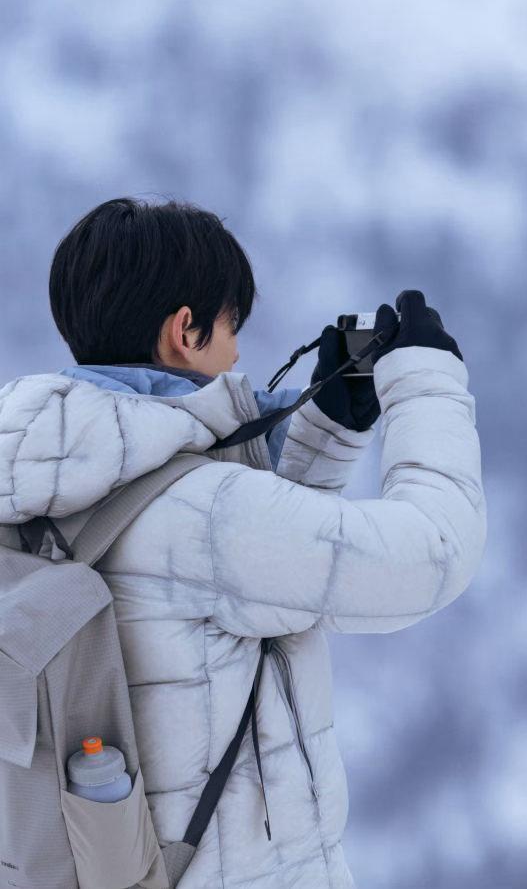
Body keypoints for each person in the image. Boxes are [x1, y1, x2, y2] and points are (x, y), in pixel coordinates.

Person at [0, 197, 487, 889]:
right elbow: (434, 554)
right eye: (231, 329)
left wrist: (326, 428)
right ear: (184, 333)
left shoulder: (41, 480)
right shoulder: (206, 517)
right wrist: (427, 381)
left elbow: (225, 594)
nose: (237, 357)